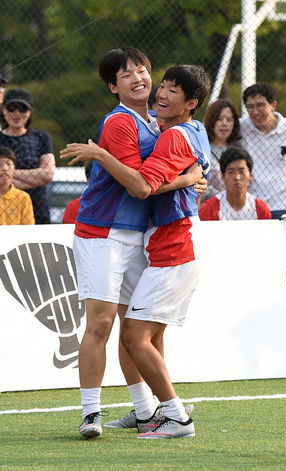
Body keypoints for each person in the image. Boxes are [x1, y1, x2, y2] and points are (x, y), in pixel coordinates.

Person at [63, 64, 212, 440]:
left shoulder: (164, 127)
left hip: (157, 241)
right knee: (111, 327)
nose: (144, 81)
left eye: (143, 71)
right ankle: (99, 413)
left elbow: (145, 185)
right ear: (113, 86)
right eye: (126, 75)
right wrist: (191, 177)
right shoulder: (129, 123)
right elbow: (147, 185)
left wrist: (189, 178)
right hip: (106, 234)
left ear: (190, 103)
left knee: (136, 332)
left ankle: (159, 412)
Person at [239, 82, 286, 218]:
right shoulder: (241, 127)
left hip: (285, 205)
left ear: (273, 105)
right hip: (253, 207)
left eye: (260, 105)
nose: (255, 111)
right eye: (250, 106)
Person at [0, 88, 55, 224]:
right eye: (12, 108)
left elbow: (48, 174)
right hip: (5, 206)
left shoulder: (41, 137)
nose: (17, 113)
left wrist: (7, 175)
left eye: (22, 108)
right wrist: (35, 178)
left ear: (30, 112)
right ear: (4, 110)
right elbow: (42, 176)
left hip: (38, 206)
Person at [199, 146, 271, 221]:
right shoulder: (209, 208)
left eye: (241, 172)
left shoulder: (260, 208)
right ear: (223, 176)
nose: (237, 177)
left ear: (250, 175)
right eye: (231, 172)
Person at [202, 98, 242, 200]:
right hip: (207, 205)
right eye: (219, 119)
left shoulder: (239, 152)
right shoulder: (201, 148)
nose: (224, 123)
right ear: (211, 120)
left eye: (229, 120)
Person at [0, 145, 34, 224]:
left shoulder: (23, 198)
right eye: (0, 165)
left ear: (14, 168)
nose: (5, 168)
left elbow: (29, 227)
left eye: (9, 164)